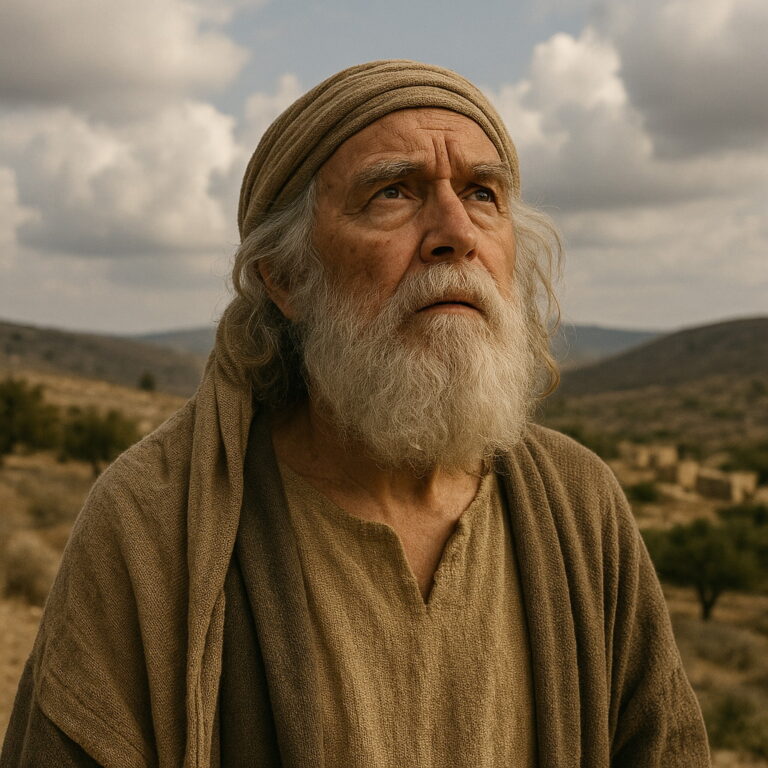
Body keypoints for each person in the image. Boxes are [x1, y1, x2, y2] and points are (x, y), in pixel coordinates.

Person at [1, 60, 710, 768]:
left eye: (482, 194)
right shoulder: (149, 522)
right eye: (393, 193)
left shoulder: (579, 506)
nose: (455, 233)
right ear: (286, 279)